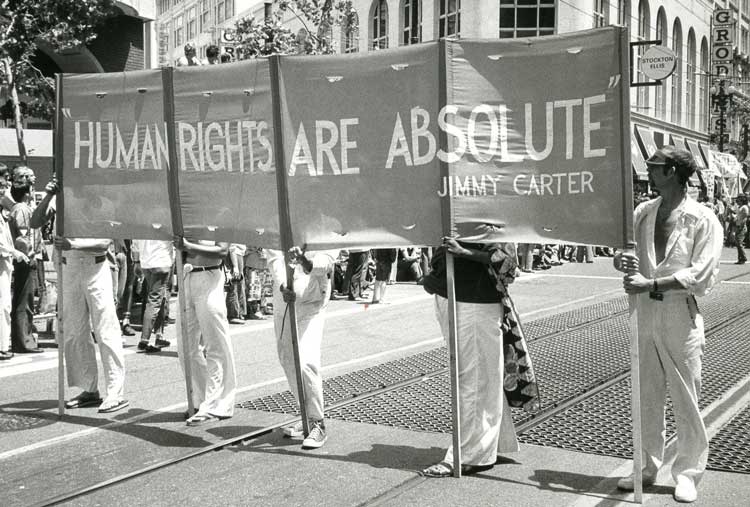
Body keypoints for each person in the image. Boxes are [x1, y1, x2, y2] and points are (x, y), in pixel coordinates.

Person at [614, 146, 723, 503]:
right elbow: (627, 251)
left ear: (674, 171)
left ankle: (688, 472)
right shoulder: (645, 212)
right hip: (643, 313)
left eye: (654, 166)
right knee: (646, 394)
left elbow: (702, 272)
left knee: (685, 396)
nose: (648, 170)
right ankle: (647, 466)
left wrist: (654, 284)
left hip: (679, 314)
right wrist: (624, 261)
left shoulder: (702, 218)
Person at [421, 238, 539, 477]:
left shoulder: (489, 212)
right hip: (451, 293)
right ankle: (488, 443)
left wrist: (465, 252)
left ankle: (468, 454)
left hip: (475, 299)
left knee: (473, 377)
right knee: (477, 373)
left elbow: (508, 262)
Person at [31, 179, 129, 413]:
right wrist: (48, 196)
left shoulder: (103, 203)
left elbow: (104, 242)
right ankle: (89, 388)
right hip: (68, 268)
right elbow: (36, 221)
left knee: (105, 330)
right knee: (74, 332)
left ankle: (115, 392)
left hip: (95, 268)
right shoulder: (60, 198)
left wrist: (72, 243)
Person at [268, 246, 336, 449]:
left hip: (312, 301)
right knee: (287, 358)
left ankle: (318, 422)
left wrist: (305, 260)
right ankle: (305, 415)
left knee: (306, 361)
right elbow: (274, 258)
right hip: (285, 300)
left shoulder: (324, 224)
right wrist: (283, 285)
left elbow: (327, 261)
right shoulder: (275, 220)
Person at [175, 236, 237, 426]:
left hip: (210, 277)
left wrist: (189, 246)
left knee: (216, 345)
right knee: (186, 347)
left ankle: (218, 403)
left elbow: (222, 251)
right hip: (187, 276)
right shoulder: (187, 217)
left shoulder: (220, 214)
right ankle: (201, 398)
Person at [8, 166, 43, 353]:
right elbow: (23, 238)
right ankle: (24, 340)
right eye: (30, 179)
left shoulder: (23, 207)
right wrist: (31, 255)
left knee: (26, 299)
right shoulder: (22, 209)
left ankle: (24, 336)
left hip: (24, 259)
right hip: (25, 260)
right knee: (25, 300)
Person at [0, 166, 27, 360]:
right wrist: (15, 253)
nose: (5, 186)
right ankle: (2, 346)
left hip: (5, 262)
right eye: (3, 182)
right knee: (3, 305)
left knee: (5, 304)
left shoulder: (4, 208)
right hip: (3, 260)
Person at [132, 239, 174, 353]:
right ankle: (144, 341)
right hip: (162, 260)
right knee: (155, 300)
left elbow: (135, 242)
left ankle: (159, 335)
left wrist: (136, 262)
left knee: (160, 298)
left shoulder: (140, 221)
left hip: (146, 262)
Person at [735, 193, 748, 264]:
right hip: (738, 226)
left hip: (742, 227)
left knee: (739, 243)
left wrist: (741, 226)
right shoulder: (740, 207)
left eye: (739, 198)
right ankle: (740, 258)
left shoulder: (744, 207)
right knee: (738, 243)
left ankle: (743, 257)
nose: (738, 200)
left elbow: (745, 218)